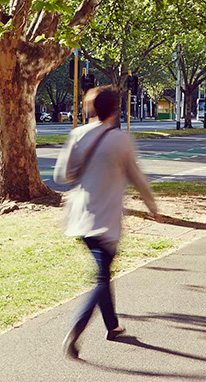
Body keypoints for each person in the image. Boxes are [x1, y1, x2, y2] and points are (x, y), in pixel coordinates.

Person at [54, 86, 158, 360]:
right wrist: (152, 206)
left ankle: (112, 326)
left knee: (103, 272)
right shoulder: (121, 140)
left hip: (81, 218)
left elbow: (62, 176)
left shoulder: (77, 135)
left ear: (92, 109)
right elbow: (137, 177)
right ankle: (77, 328)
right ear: (116, 109)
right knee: (101, 276)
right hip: (106, 220)